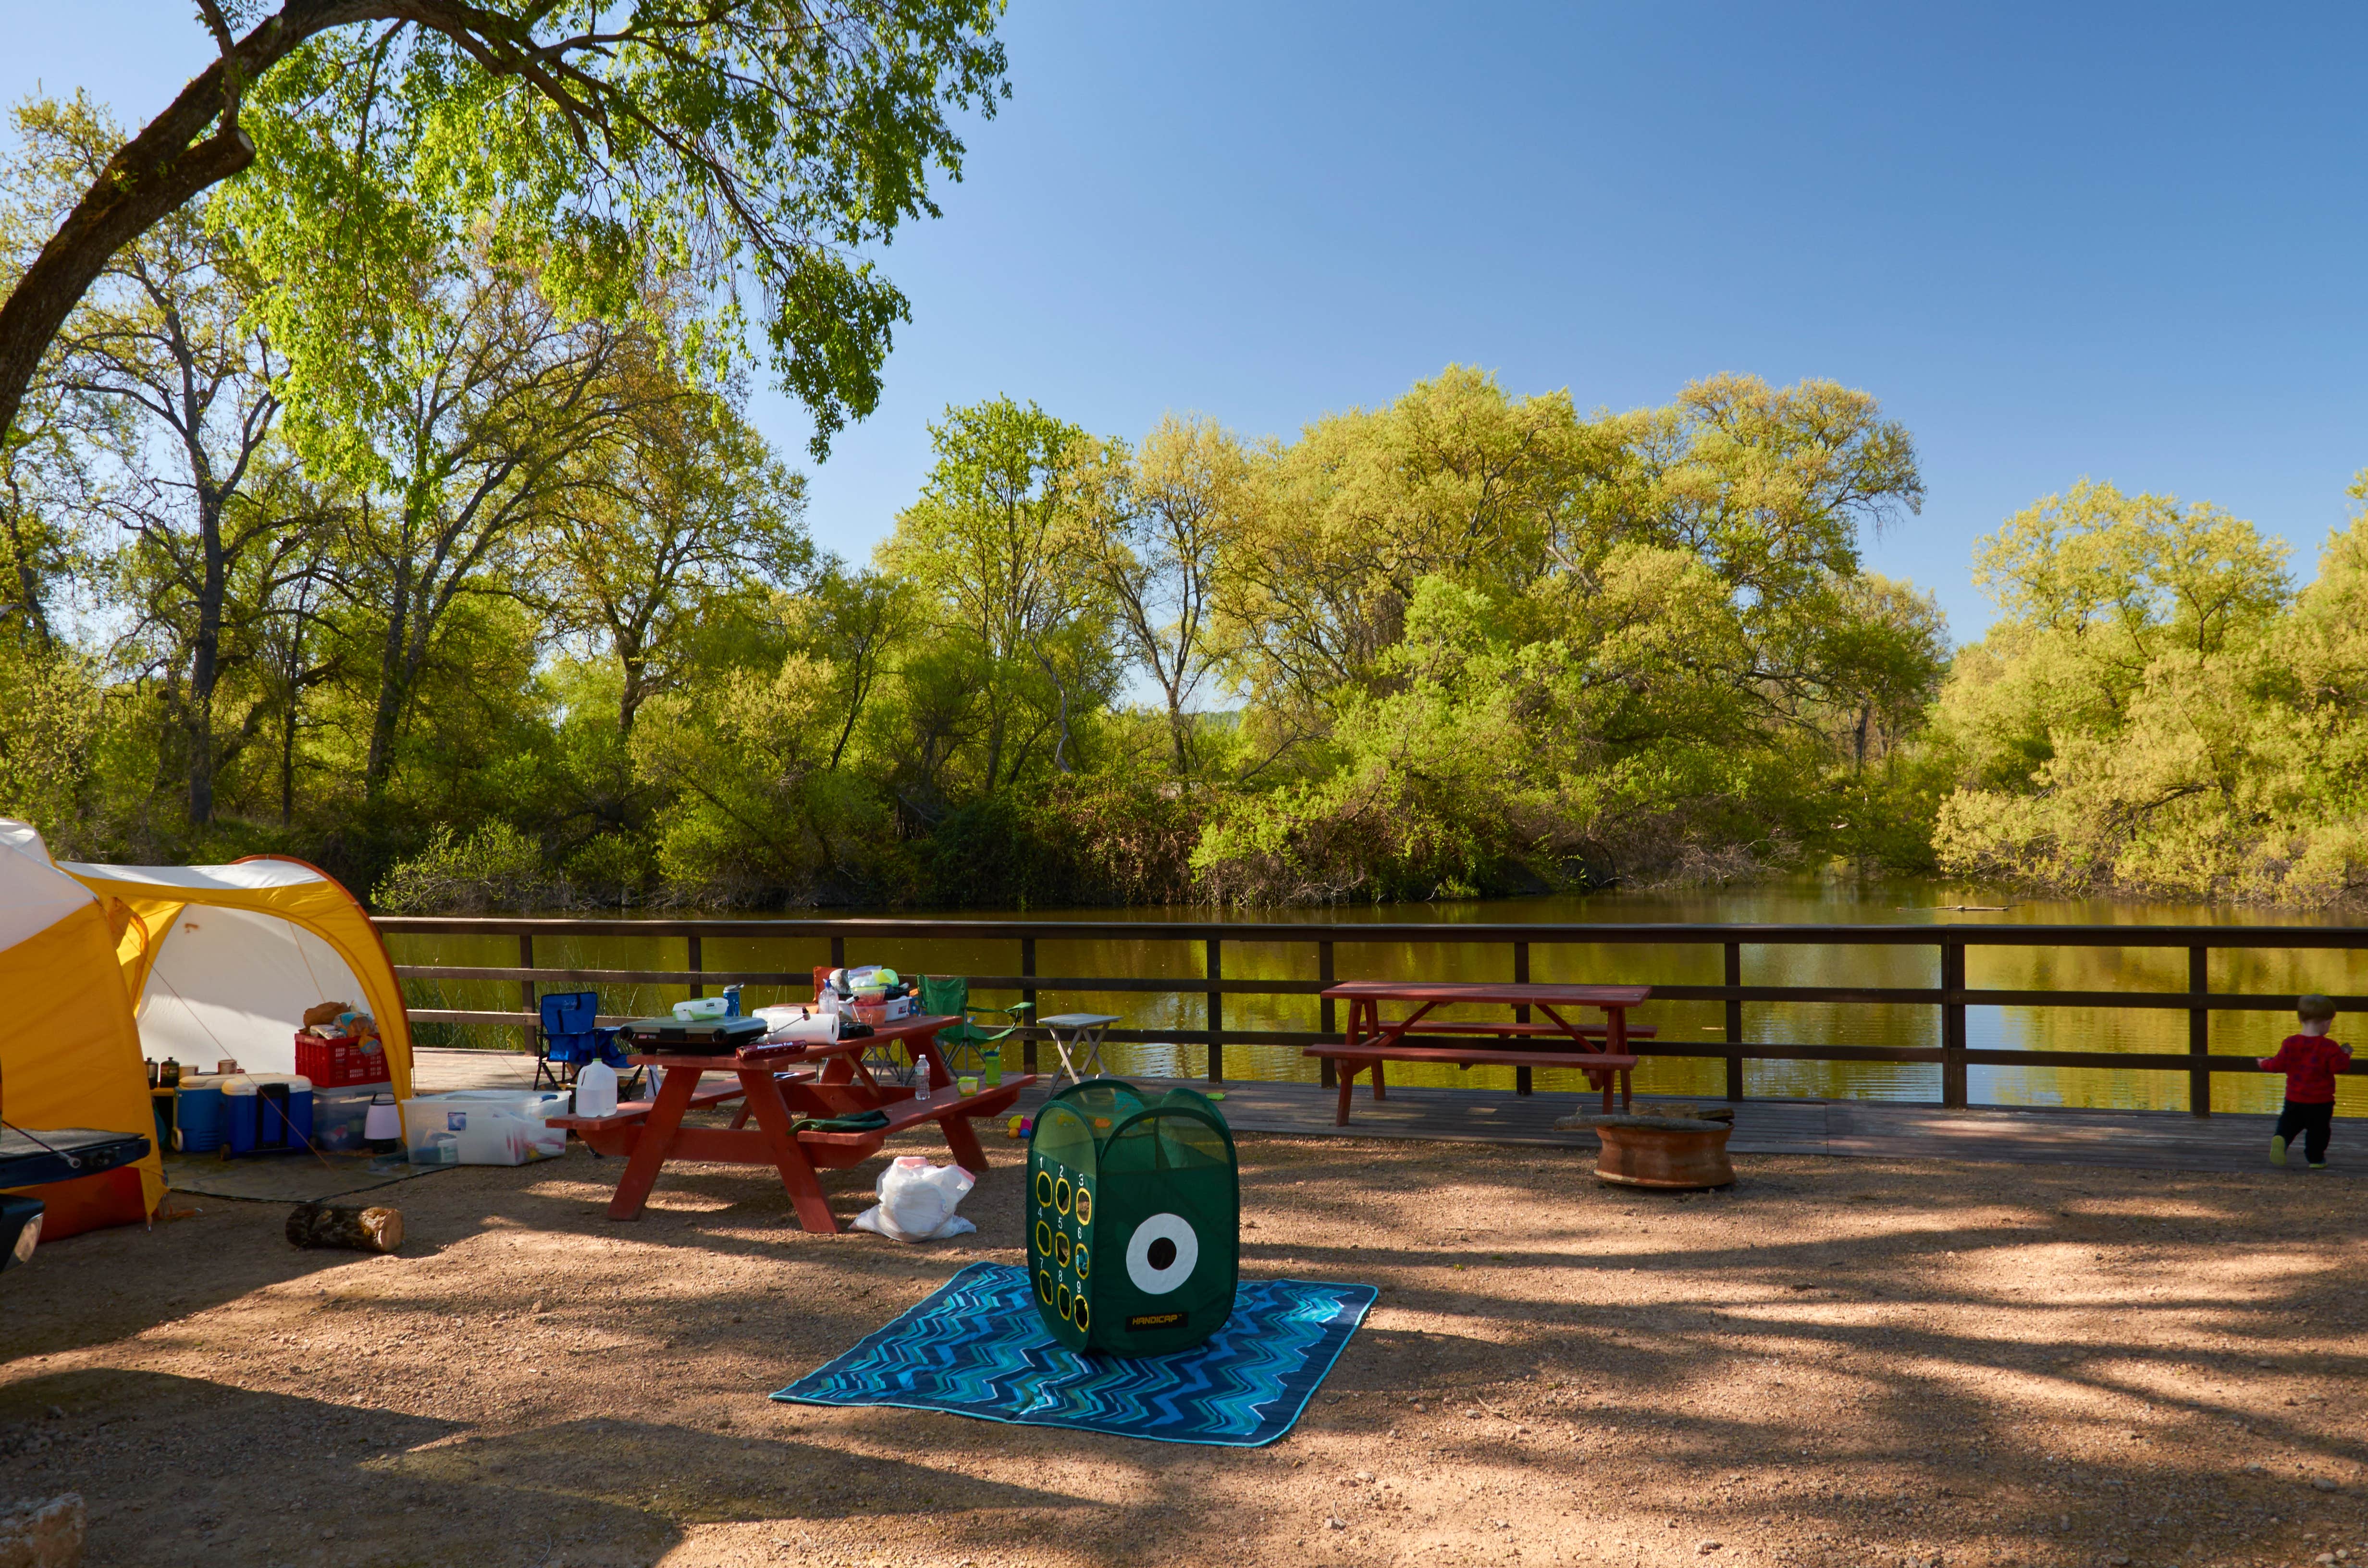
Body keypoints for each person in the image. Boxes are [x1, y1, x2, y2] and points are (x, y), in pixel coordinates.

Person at [2258, 995, 2351, 1169]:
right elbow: (2339, 1067)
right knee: (2319, 1132)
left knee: (2289, 1124)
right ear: (2325, 1023)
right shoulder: (2329, 1047)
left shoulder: (2290, 1043)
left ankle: (2282, 1140)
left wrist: (2263, 1063)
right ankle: (2315, 1159)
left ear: (2301, 1019)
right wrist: (2345, 1054)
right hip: (2321, 1102)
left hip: (2294, 1098)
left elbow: (2277, 1065)